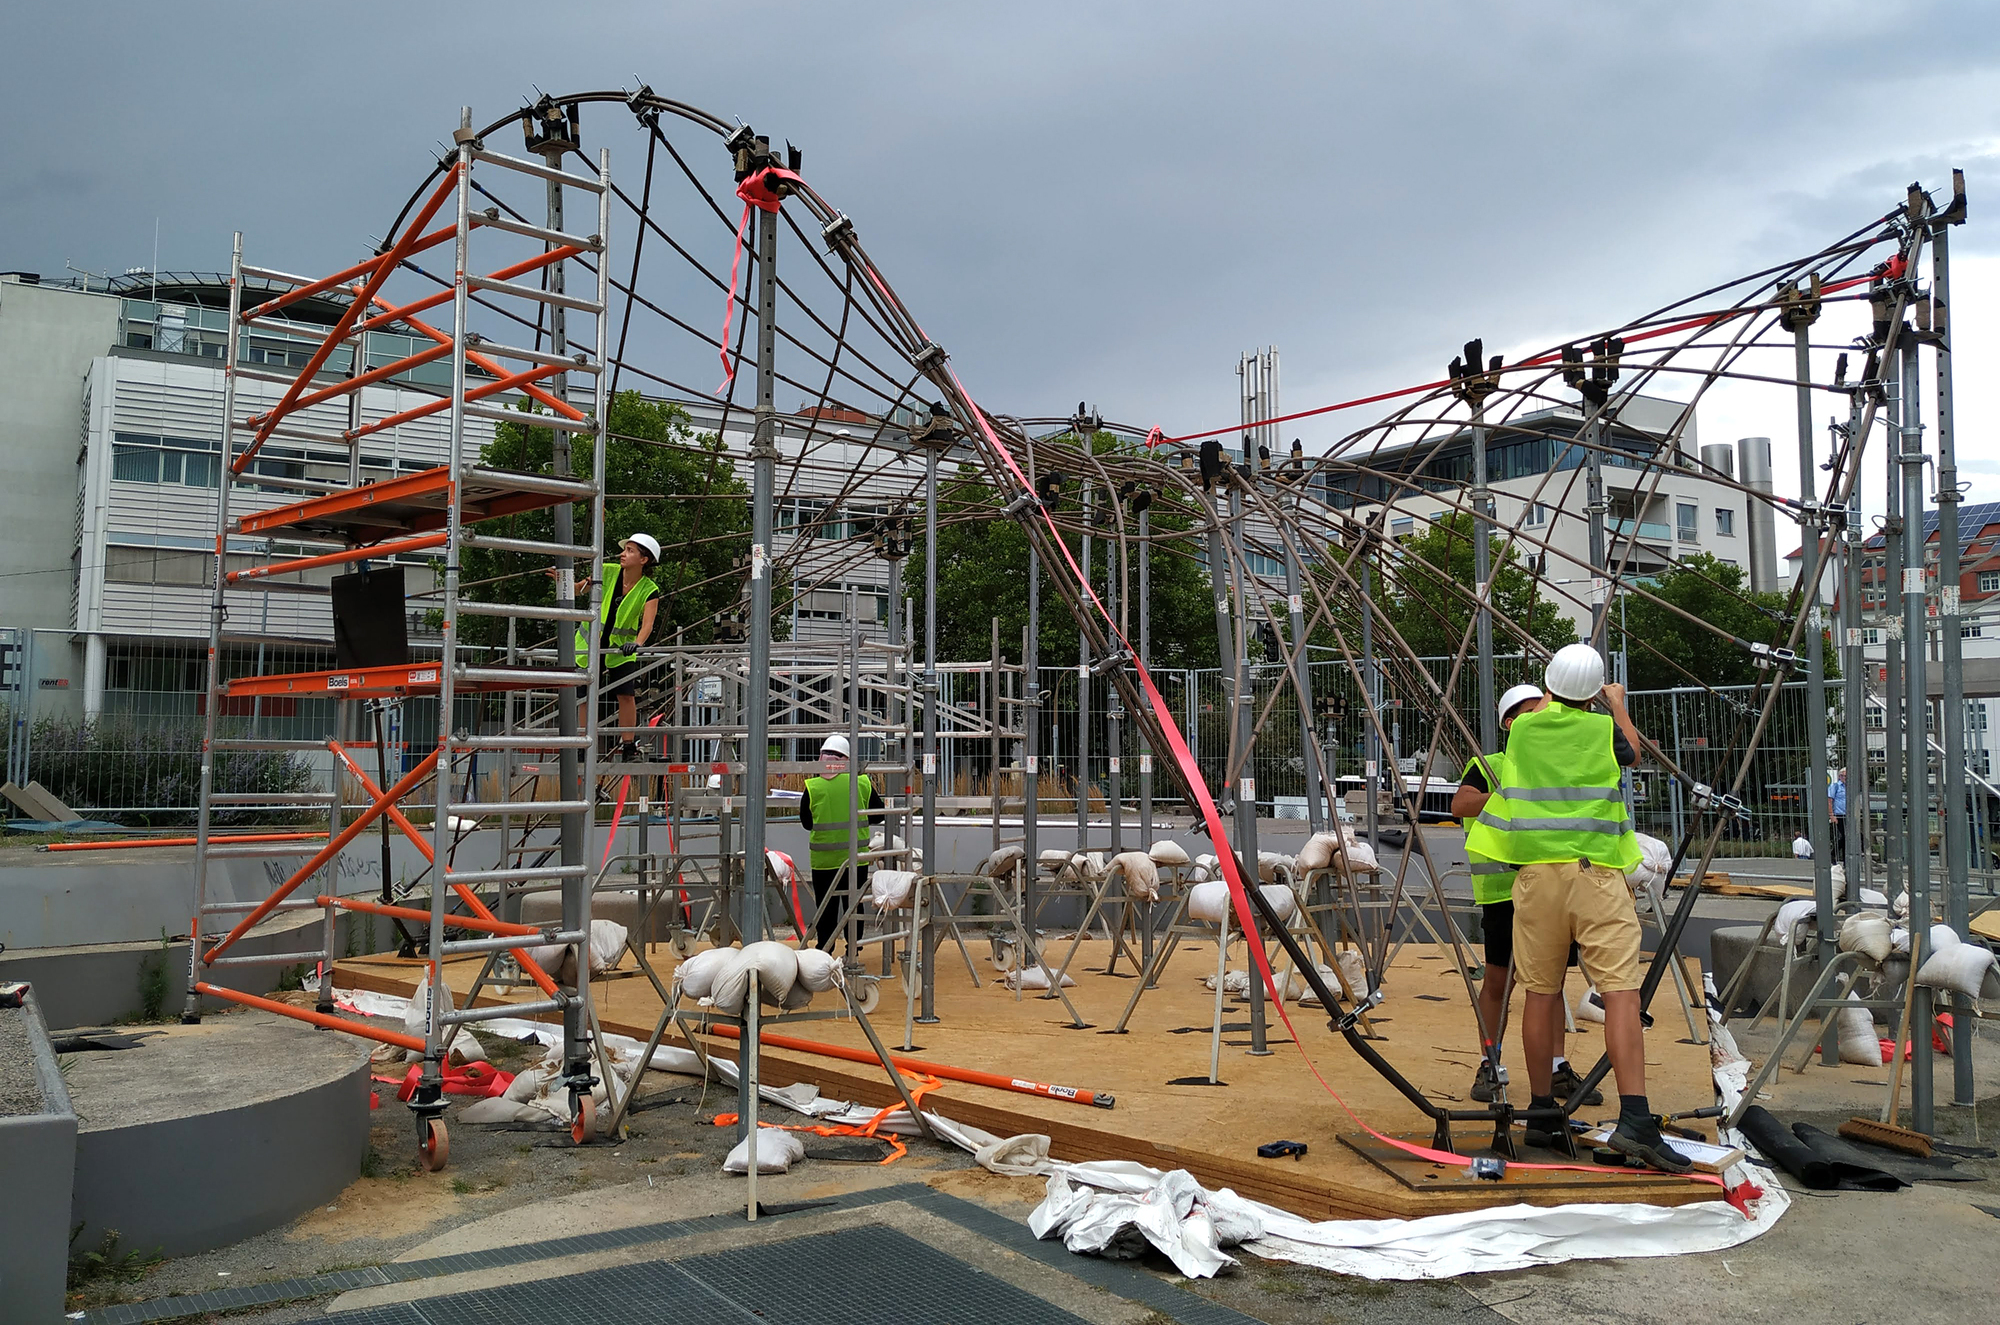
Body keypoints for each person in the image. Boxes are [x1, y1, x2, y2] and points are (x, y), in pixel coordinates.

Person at [1465, 643, 1690, 1172]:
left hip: (1536, 879)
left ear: (1548, 688)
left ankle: (1542, 1111)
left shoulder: (1523, 729)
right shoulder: (1602, 730)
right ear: (1594, 693)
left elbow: (1550, 712)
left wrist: (1568, 694)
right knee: (1619, 993)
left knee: (1540, 993)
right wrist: (1617, 704)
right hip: (1595, 875)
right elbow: (1631, 755)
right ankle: (1636, 1119)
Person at [1451, 684, 1601, 1109]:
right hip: (1503, 893)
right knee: (1500, 980)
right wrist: (1507, 796)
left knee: (1549, 984)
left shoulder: (1554, 766)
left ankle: (1556, 1069)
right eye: (1531, 714)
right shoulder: (1490, 765)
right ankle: (1490, 1062)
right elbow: (1461, 805)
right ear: (1512, 724)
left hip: (1550, 887)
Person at [569, 534, 661, 758]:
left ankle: (628, 745)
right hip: (589, 644)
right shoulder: (607, 571)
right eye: (625, 549)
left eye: (630, 550)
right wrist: (564, 583)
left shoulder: (649, 589)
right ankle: (583, 743)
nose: (623, 553)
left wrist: (637, 643)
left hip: (621, 648)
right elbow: (577, 589)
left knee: (626, 695)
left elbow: (647, 624)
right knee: (584, 695)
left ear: (644, 560)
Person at [798, 734, 884, 949]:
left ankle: (825, 948)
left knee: (826, 905)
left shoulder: (813, 786)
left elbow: (807, 823)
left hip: (824, 860)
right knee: (853, 905)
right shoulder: (862, 782)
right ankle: (854, 947)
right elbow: (879, 814)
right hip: (856, 858)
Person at [1829, 767, 1848, 861]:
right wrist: (1831, 815)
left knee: (1848, 838)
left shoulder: (1850, 787)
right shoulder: (1835, 786)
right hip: (1839, 815)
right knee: (1845, 836)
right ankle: (1833, 853)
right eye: (1842, 776)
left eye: (1846, 776)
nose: (1844, 777)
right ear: (1839, 776)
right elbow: (1829, 800)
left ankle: (1846, 859)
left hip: (1850, 816)